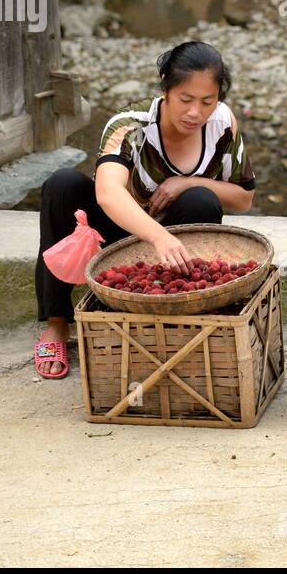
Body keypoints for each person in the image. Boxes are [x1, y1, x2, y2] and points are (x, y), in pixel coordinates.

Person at [33, 41, 257, 378]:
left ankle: (183, 319)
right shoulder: (131, 125)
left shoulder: (223, 123)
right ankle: (57, 324)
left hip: (181, 252)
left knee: (201, 198)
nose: (195, 112)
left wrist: (189, 183)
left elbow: (243, 197)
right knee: (62, 185)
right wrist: (157, 237)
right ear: (165, 85)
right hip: (120, 236)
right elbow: (108, 193)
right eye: (185, 99)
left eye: (207, 101)